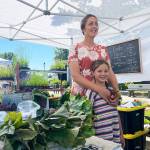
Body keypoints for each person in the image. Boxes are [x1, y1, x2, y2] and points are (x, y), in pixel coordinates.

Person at [68, 14, 120, 101]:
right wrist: (99, 89)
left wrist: (117, 91)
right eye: (91, 24)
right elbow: (75, 76)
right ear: (83, 28)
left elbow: (110, 73)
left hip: (101, 96)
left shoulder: (103, 49)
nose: (94, 26)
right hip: (80, 97)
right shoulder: (75, 48)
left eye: (96, 24)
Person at [85, 59, 124, 146]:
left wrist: (121, 134)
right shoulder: (91, 93)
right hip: (101, 140)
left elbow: (116, 114)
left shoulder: (112, 92)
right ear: (92, 73)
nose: (103, 74)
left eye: (106, 71)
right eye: (99, 71)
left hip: (115, 136)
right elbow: (88, 117)